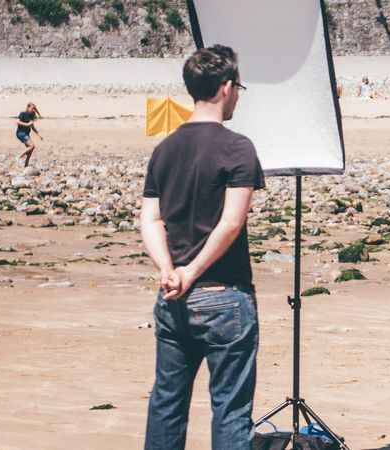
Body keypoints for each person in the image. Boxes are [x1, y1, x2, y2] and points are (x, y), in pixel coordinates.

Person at [140, 44, 263, 450]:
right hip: (224, 295)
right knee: (230, 411)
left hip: (173, 296)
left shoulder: (165, 149)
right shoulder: (237, 147)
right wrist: (190, 272)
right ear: (227, 87)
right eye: (239, 87)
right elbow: (231, 222)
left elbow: (151, 219)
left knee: (166, 405)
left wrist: (168, 269)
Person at [15, 103, 44, 167]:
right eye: (32, 108)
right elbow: (17, 122)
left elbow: (33, 127)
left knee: (30, 149)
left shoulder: (31, 116)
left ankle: (26, 164)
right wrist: (27, 124)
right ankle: (19, 157)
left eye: (34, 109)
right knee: (32, 146)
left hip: (26, 134)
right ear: (28, 108)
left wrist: (39, 135)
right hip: (20, 133)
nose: (33, 110)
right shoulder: (23, 114)